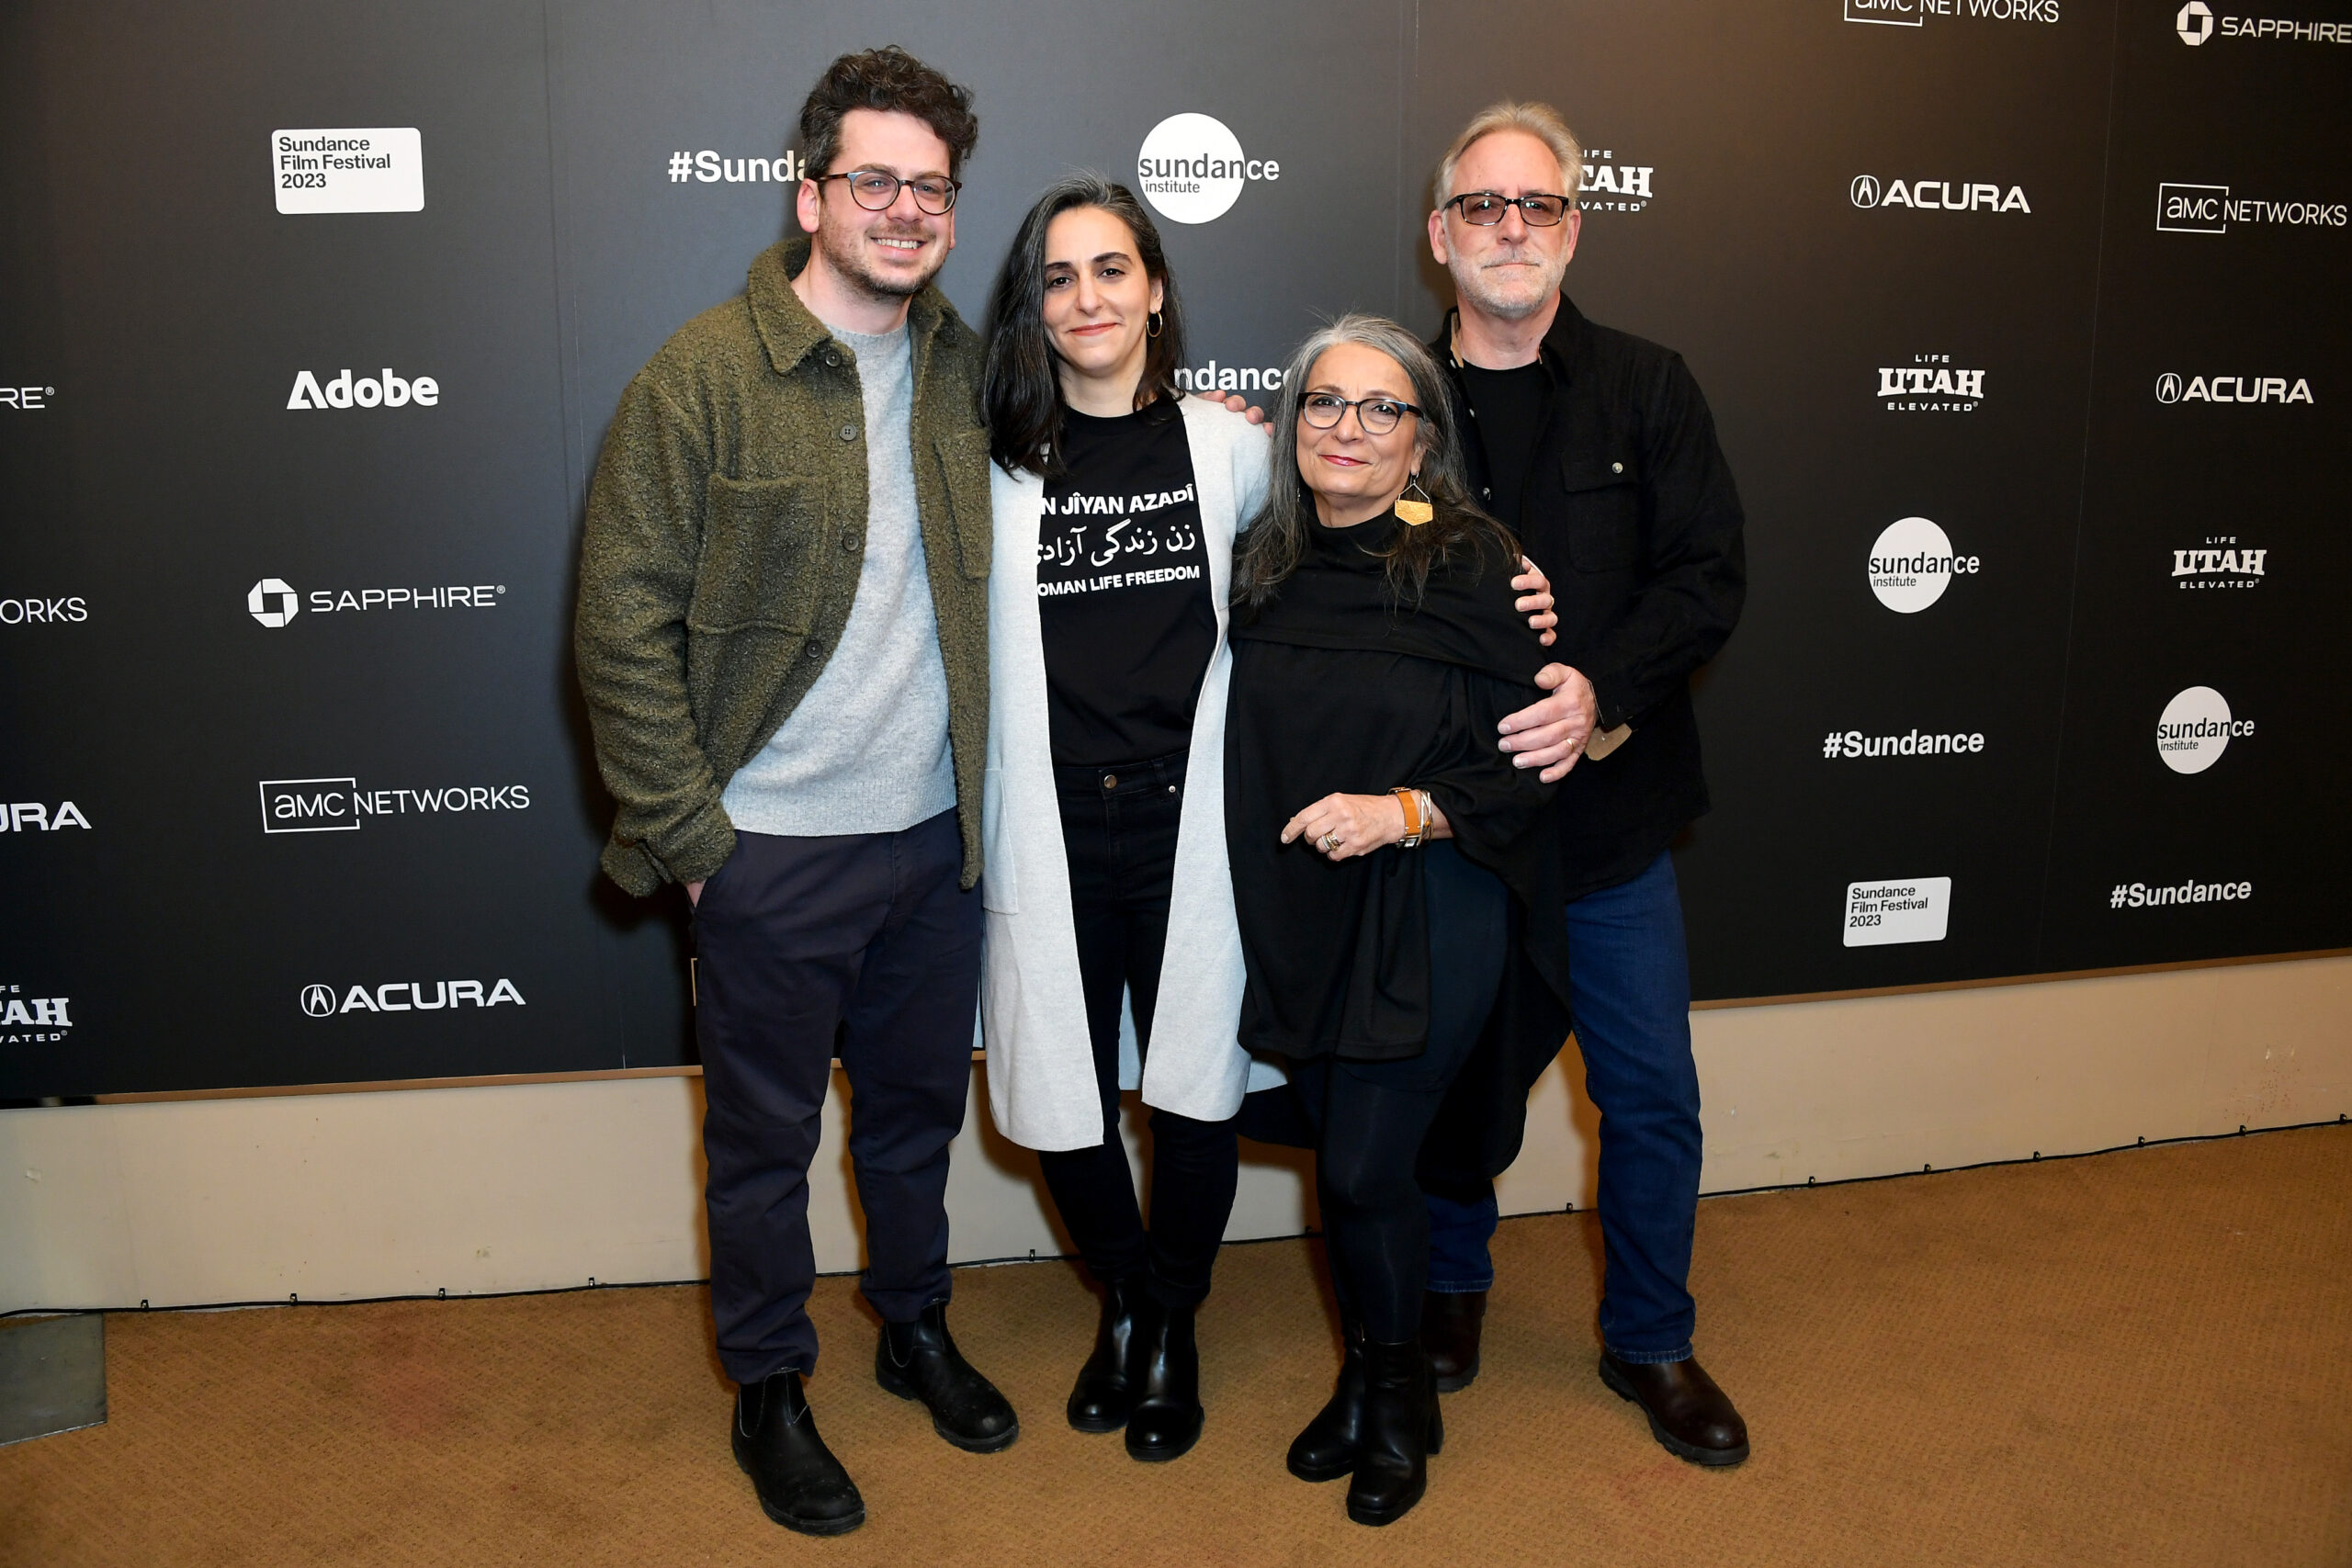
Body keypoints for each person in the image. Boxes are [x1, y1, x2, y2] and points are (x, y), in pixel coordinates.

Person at [572, 48, 1013, 1538]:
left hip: (934, 848)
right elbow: (620, 620)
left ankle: (914, 1329)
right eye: (875, 180)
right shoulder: (700, 377)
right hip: (770, 856)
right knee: (763, 1149)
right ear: (811, 189)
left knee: (910, 1127)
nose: (904, 210)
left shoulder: (970, 368)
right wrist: (701, 847)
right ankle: (768, 1382)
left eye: (931, 188)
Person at [1414, 101, 1751, 1467]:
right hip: (1447, 823)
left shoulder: (1649, 384)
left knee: (1652, 1096)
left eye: (1537, 205)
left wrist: (1594, 691)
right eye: (1483, 208)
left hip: (1610, 822)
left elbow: (1709, 576)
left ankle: (1653, 1340)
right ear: (1440, 236)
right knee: (1448, 1088)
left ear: (1573, 225)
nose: (1511, 230)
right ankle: (1448, 1298)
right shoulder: (1389, 397)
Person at [1224, 315, 1572, 1527]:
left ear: (1423, 442)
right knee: (1348, 1162)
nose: (1349, 429)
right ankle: (1384, 1382)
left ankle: (1392, 1396)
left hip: (1432, 900)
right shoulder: (1265, 562)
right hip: (1303, 911)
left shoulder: (1475, 565)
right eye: (1326, 402)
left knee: (1371, 1166)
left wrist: (1405, 812)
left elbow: (1534, 759)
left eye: (1383, 409)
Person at [973, 175, 1276, 1462]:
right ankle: (1139, 1300)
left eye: (1111, 270)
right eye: (1058, 277)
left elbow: (1354, 562)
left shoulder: (1237, 451)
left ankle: (1167, 1328)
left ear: (1156, 287)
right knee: (1064, 1090)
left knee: (1199, 1090)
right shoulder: (992, 464)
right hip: (1053, 823)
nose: (1086, 297)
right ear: (1033, 310)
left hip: (1190, 823)